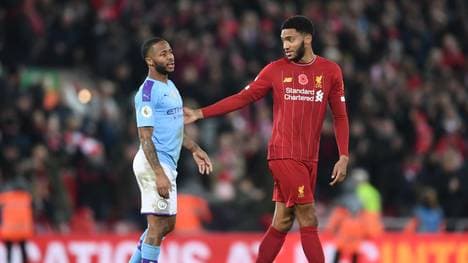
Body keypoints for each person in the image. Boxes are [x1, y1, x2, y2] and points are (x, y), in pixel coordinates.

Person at [184, 15, 349, 263]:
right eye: (283, 40)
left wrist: (343, 155)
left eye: (291, 39)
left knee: (282, 222)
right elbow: (243, 98)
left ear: (307, 38)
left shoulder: (330, 71)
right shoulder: (276, 70)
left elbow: (340, 116)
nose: (286, 45)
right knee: (309, 216)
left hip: (309, 158)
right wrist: (200, 113)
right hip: (283, 154)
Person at [129, 37, 213, 263]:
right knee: (157, 227)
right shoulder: (146, 93)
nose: (170, 57)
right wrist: (158, 173)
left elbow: (174, 127)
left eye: (170, 52)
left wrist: (194, 148)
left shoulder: (170, 86)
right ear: (149, 60)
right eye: (163, 54)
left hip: (166, 163)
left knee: (167, 224)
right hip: (153, 163)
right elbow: (145, 137)